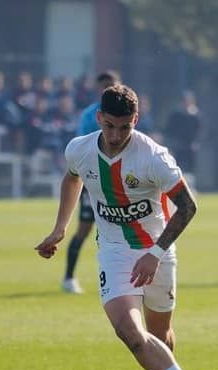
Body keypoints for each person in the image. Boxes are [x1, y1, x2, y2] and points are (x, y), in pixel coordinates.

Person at [35, 84, 217, 370]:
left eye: (125, 127)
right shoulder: (80, 149)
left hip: (157, 249)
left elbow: (188, 207)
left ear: (136, 119)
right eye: (110, 126)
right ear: (99, 118)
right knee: (131, 333)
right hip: (115, 252)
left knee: (160, 335)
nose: (116, 135)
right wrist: (60, 227)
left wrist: (155, 253)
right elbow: (72, 179)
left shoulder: (154, 157)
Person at [60, 70, 121, 294]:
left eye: (112, 85)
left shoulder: (126, 112)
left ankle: (122, 280)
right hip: (93, 181)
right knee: (84, 229)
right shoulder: (89, 115)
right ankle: (68, 277)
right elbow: (84, 148)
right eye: (105, 86)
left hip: (119, 182)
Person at [164, 90, 202, 175]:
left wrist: (196, 142)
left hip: (190, 147)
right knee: (178, 167)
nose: (187, 103)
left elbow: (199, 131)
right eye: (185, 100)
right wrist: (172, 144)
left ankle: (190, 186)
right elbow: (169, 130)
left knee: (190, 169)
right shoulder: (175, 115)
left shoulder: (195, 116)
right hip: (177, 146)